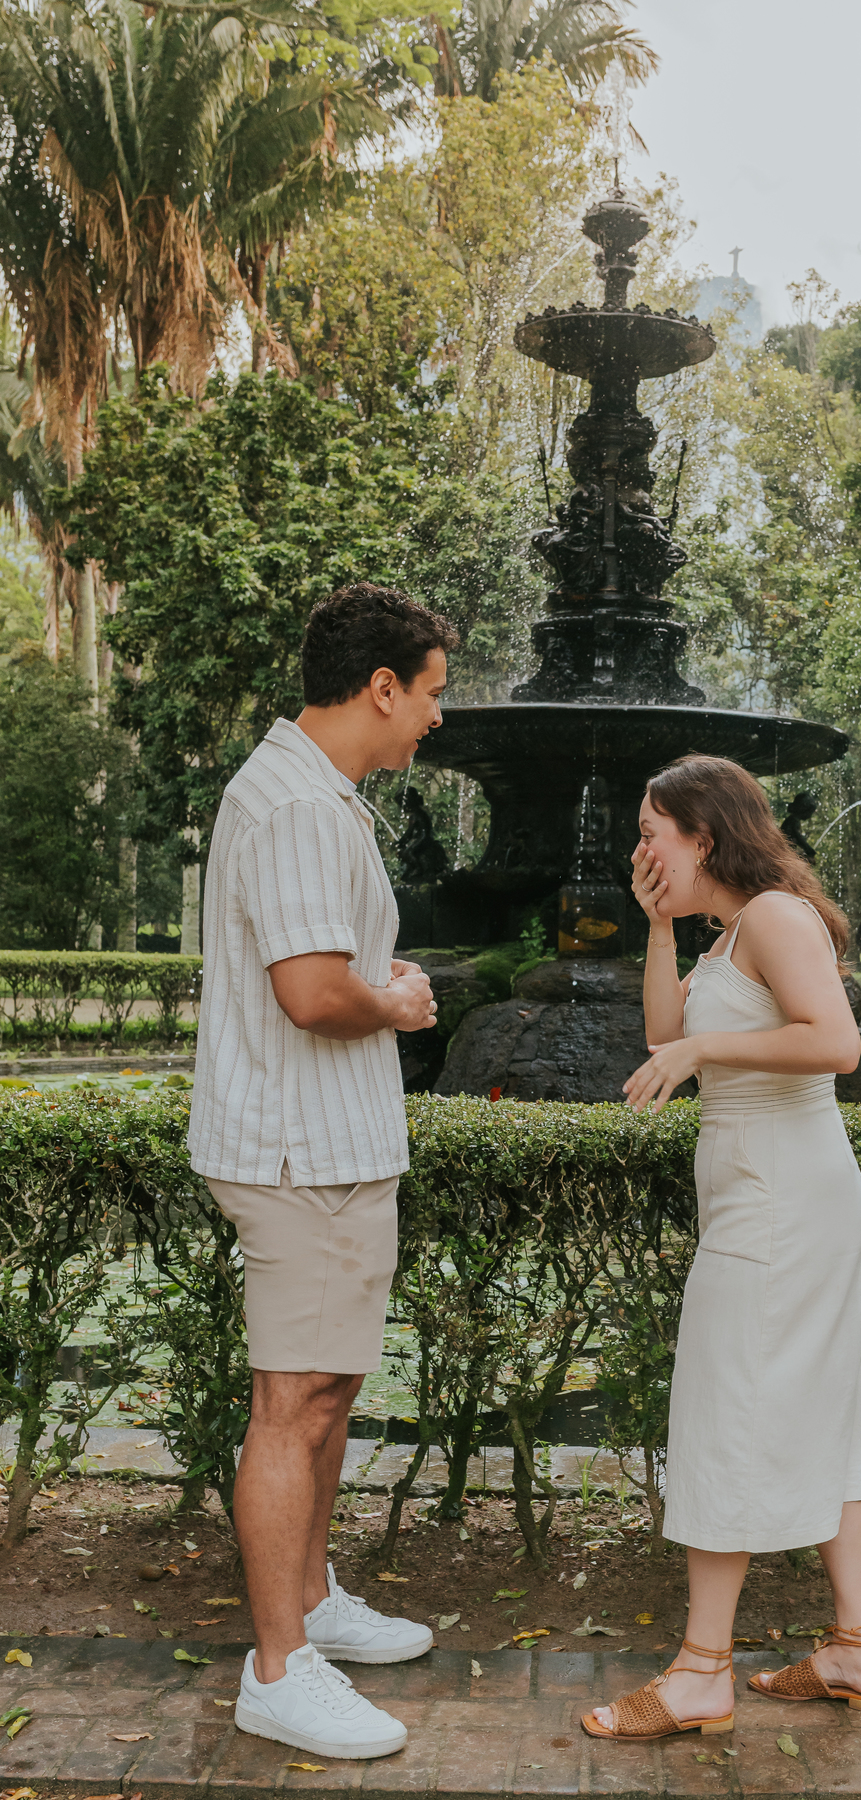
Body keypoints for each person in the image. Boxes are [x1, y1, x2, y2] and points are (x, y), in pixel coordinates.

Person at [187, 583, 459, 1761]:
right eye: (432, 693)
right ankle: (279, 1671)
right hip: (299, 1153)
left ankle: (309, 1603)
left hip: (328, 1147)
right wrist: (394, 1001)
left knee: (326, 1392)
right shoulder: (298, 805)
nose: (438, 718)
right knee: (293, 1404)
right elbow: (309, 991)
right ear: (381, 686)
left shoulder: (311, 793)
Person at [582, 754, 861, 1744]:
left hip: (782, 1206)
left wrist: (705, 1049)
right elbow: (664, 1031)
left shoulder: (774, 917)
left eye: (652, 833)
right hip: (767, 1200)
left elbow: (837, 1044)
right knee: (816, 1412)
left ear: (703, 835)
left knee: (722, 1412)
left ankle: (700, 1673)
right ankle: (858, 1647)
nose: (640, 850)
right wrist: (657, 929)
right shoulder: (726, 935)